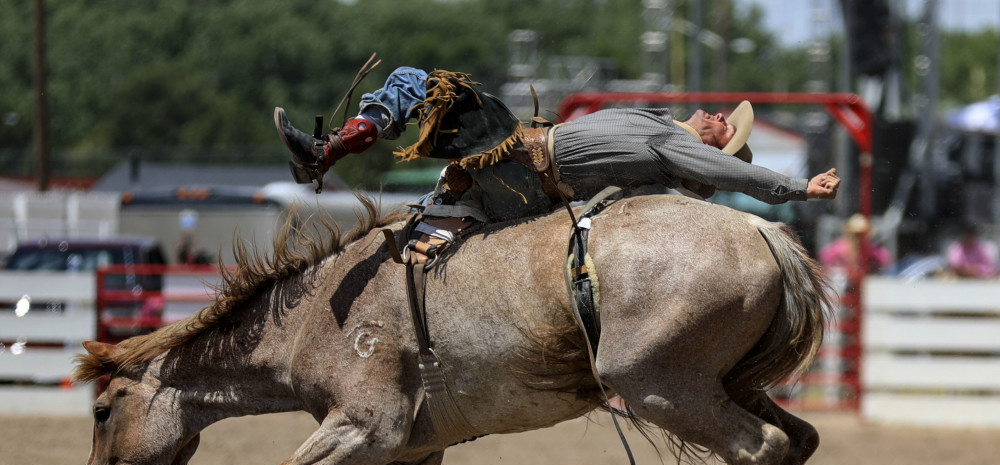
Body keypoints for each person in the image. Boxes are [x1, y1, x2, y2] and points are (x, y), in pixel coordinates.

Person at [274, 66, 841, 223]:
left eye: (726, 124)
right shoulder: (662, 128)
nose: (721, 114)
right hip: (525, 159)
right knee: (424, 86)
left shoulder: (679, 149)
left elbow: (733, 176)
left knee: (435, 86)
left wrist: (797, 188)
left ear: (715, 148)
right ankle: (325, 153)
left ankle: (324, 154)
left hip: (523, 168)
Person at [819, 214, 891, 273]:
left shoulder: (873, 251)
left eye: (862, 235)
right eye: (855, 234)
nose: (858, 238)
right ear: (849, 234)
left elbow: (886, 260)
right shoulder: (838, 249)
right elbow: (825, 258)